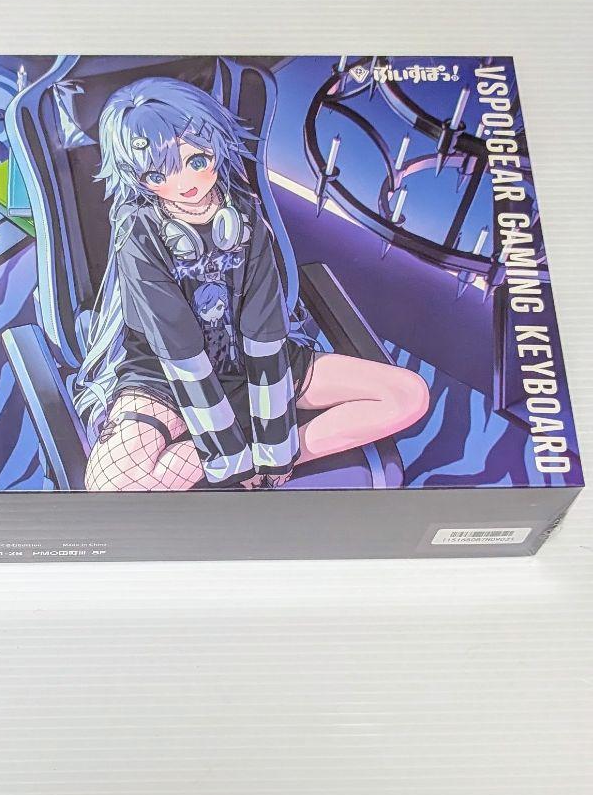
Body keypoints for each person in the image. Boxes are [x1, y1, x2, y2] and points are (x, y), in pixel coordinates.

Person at [74, 77, 429, 491]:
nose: (184, 183)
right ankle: (244, 447)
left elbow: (264, 328)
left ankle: (279, 451)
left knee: (409, 395)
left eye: (195, 160)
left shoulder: (244, 215)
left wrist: (277, 449)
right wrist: (226, 454)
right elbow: (178, 347)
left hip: (256, 364)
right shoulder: (137, 233)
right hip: (166, 377)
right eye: (158, 173)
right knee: (109, 484)